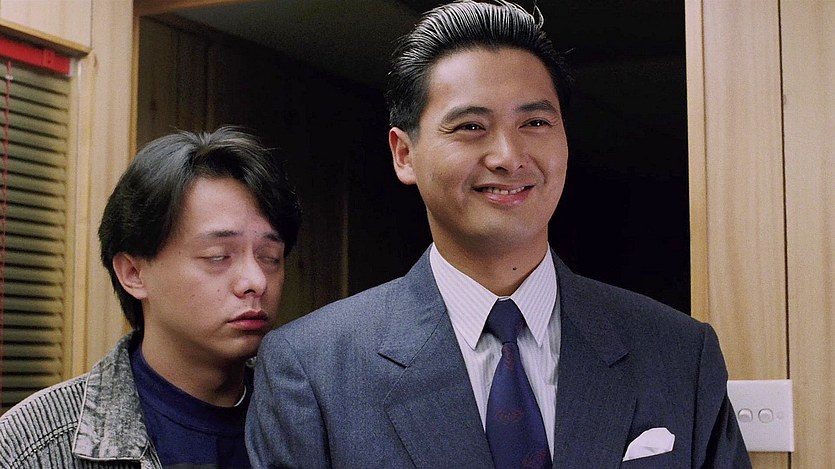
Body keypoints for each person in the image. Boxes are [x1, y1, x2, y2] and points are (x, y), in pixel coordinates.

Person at [246, 1, 751, 468]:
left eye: (535, 122)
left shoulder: (679, 354)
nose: (509, 156)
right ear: (404, 154)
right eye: (471, 126)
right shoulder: (313, 368)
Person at [0, 127, 301, 468]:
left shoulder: (307, 414)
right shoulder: (32, 447)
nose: (255, 281)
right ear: (133, 273)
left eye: (270, 257)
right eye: (218, 256)